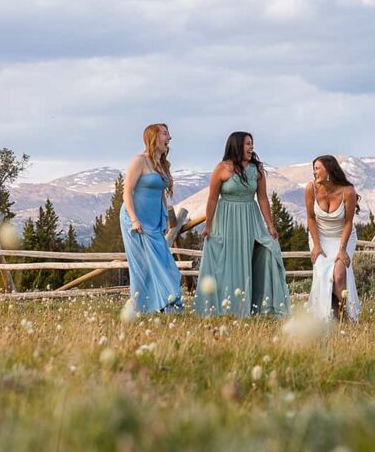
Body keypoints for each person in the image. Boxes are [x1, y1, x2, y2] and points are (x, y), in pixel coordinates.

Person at [194, 131, 290, 318]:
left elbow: (262, 199)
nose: (251, 147)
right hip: (226, 218)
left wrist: (270, 225)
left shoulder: (257, 169)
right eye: (247, 144)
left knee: (266, 250)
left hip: (250, 217)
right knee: (228, 262)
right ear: (237, 145)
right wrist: (208, 225)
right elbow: (212, 199)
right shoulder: (221, 168)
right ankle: (226, 306)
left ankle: (261, 305)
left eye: (252, 144)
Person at [120, 122, 183, 313]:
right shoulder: (139, 160)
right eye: (165, 134)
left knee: (164, 261)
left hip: (154, 221)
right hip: (135, 220)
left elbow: (162, 194)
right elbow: (127, 192)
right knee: (143, 265)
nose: (169, 138)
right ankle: (147, 306)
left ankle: (166, 302)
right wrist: (134, 219)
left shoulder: (162, 165)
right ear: (153, 137)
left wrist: (163, 219)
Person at [305, 155, 360, 322]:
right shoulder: (310, 188)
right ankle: (327, 315)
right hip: (319, 236)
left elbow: (349, 222)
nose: (314, 172)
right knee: (323, 273)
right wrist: (316, 245)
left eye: (317, 168)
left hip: (343, 236)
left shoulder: (348, 191)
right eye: (314, 168)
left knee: (339, 275)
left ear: (329, 169)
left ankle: (346, 315)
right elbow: (311, 218)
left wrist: (342, 249)